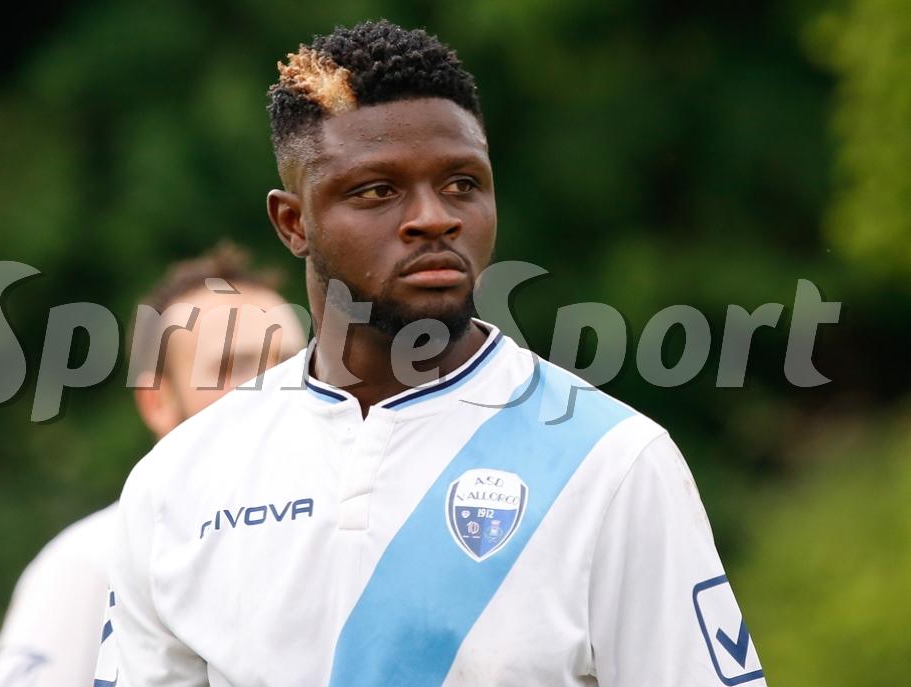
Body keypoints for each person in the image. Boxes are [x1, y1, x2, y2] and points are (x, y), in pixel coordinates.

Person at [96, 21, 767, 687]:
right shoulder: (178, 481)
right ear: (293, 223)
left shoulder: (611, 461)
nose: (434, 217)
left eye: (461, 184)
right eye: (377, 191)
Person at [0, 242, 305, 687]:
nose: (277, 387)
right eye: (233, 366)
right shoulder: (92, 561)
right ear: (157, 402)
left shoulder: (343, 536)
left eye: (291, 363)